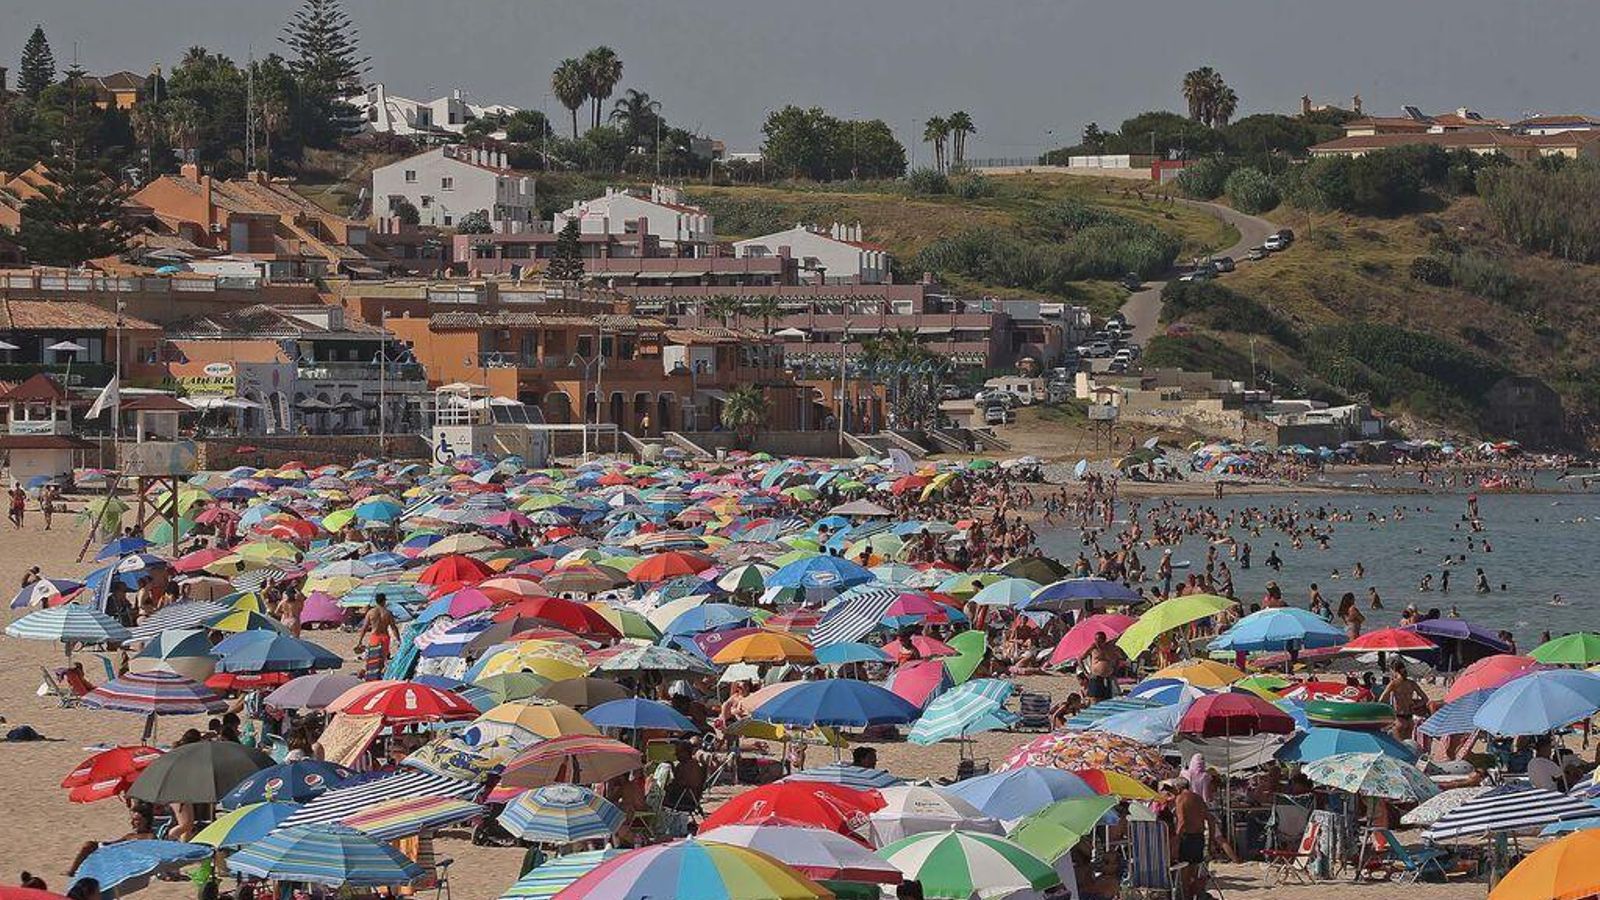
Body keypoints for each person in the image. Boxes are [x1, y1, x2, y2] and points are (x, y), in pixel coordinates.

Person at [1168, 777, 1215, 900]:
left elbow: (1182, 822)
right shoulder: (1198, 798)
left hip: (1187, 839)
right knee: (1193, 874)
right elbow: (1210, 820)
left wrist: (1176, 841)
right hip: (1199, 838)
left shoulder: (1180, 799)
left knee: (1184, 877)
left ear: (1178, 787)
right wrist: (1210, 842)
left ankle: (1187, 897)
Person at [355, 593, 400, 679]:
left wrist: (360, 641)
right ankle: (379, 675)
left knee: (373, 658)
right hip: (385, 637)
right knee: (382, 659)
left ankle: (372, 675)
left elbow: (364, 628)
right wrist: (398, 640)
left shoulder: (371, 612)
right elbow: (394, 628)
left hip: (375, 636)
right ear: (384, 601)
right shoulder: (388, 613)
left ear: (376, 601)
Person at [1379, 661, 1428, 741]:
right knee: (1407, 748)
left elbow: (1381, 700)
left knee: (1399, 748)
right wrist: (1415, 706)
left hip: (1399, 718)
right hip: (1410, 720)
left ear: (1393, 670)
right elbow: (1425, 699)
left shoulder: (1394, 683)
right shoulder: (1412, 683)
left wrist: (1389, 709)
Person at [1079, 632, 1122, 703]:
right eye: (1096, 640)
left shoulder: (1109, 648)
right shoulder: (1093, 648)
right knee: (1094, 699)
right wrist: (1085, 672)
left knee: (1107, 699)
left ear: (1104, 640)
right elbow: (1080, 659)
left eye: (1099, 641)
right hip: (1096, 676)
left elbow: (1118, 659)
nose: (1097, 642)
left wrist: (1115, 670)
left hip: (1108, 677)